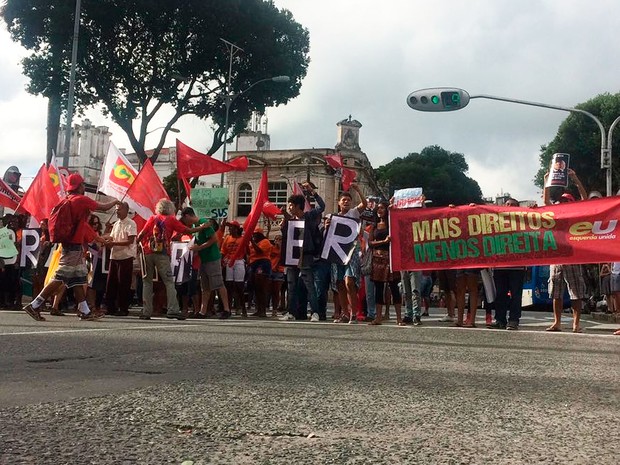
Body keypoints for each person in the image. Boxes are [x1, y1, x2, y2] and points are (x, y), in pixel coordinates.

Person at [23, 173, 119, 321]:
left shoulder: (67, 200)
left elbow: (83, 226)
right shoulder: (81, 200)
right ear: (79, 186)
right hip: (74, 246)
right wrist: (115, 202)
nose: (84, 187)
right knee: (60, 277)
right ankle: (35, 304)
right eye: (83, 184)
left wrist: (97, 238)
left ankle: (85, 311)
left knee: (79, 278)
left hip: (69, 244)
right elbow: (103, 207)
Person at [135, 198, 207, 320]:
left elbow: (142, 233)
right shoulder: (171, 220)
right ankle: (172, 309)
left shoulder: (153, 218)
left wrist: (137, 244)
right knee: (168, 281)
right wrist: (201, 227)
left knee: (147, 282)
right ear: (170, 209)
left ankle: (146, 311)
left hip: (148, 252)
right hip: (162, 253)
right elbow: (187, 230)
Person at [544, 169, 587, 333]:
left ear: (572, 202)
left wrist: (575, 179)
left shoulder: (577, 214)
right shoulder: (554, 215)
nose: (563, 203)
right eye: (561, 201)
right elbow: (546, 201)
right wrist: (546, 181)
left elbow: (585, 199)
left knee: (576, 292)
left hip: (572, 255)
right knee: (556, 292)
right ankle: (557, 322)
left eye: (566, 200)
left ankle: (576, 324)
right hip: (556, 257)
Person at [280, 183, 326, 322]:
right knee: (291, 285)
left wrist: (312, 192)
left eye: (291, 205)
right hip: (291, 256)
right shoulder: (289, 220)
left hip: (306, 255)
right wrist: (283, 227)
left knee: (309, 284)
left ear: (298, 206)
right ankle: (291, 312)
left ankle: (315, 313)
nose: (289, 208)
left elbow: (321, 207)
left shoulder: (309, 216)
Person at [183, 209, 231, 319]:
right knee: (205, 286)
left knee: (218, 283)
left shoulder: (203, 222)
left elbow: (214, 239)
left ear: (187, 216)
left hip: (212, 258)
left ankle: (226, 309)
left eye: (185, 219)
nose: (186, 222)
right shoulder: (197, 226)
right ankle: (202, 311)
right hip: (203, 259)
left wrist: (199, 247)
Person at [333, 183, 367, 323]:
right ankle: (345, 313)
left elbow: (364, 204)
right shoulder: (333, 216)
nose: (346, 201)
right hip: (338, 251)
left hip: (352, 250)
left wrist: (358, 189)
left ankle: (354, 313)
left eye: (348, 200)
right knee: (340, 283)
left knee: (349, 282)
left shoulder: (353, 212)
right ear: (339, 203)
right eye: (343, 200)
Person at [368, 200, 404, 326]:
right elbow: (370, 243)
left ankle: (399, 318)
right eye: (378, 208)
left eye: (382, 208)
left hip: (391, 258)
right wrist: (384, 241)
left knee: (394, 287)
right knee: (378, 288)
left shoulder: (392, 224)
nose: (380, 210)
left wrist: (393, 208)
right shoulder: (374, 225)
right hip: (377, 258)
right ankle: (378, 317)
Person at [103, 202, 137, 316]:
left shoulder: (131, 223)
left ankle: (123, 308)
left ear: (126, 210)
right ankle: (110, 307)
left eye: (120, 209)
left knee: (124, 283)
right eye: (116, 209)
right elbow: (111, 237)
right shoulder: (116, 224)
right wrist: (105, 241)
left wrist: (113, 243)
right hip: (114, 256)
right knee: (111, 282)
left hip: (125, 256)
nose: (117, 211)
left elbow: (130, 240)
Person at [221, 221, 246, 316]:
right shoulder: (227, 238)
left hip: (239, 261)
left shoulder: (242, 239)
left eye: (231, 227)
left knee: (239, 286)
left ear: (236, 228)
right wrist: (222, 261)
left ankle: (242, 308)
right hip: (229, 263)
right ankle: (229, 309)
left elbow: (246, 251)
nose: (229, 229)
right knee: (229, 286)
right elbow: (223, 251)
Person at [247, 228, 272, 318]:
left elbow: (259, 251)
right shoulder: (252, 243)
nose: (254, 236)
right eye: (253, 234)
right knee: (256, 288)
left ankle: (263, 310)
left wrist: (251, 241)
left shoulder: (265, 241)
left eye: (256, 234)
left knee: (262, 287)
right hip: (253, 264)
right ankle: (258, 309)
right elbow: (249, 253)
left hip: (262, 263)